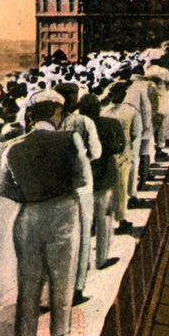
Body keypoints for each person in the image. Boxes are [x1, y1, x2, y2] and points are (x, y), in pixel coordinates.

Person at [0, 90, 89, 336]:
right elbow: (82, 178)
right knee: (62, 281)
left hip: (29, 217)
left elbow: (2, 187)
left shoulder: (14, 147)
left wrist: (27, 195)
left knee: (29, 284)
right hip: (63, 214)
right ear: (57, 113)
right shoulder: (70, 140)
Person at [54, 82, 101, 305]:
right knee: (81, 237)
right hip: (81, 186)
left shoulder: (50, 124)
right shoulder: (84, 121)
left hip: (54, 186)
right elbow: (96, 152)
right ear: (75, 98)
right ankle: (77, 289)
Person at [78, 93, 122, 269]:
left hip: (83, 181)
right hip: (104, 179)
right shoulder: (110, 124)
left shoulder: (75, 129)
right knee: (104, 221)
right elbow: (120, 146)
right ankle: (101, 259)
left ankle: (83, 262)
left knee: (84, 224)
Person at [101, 82, 141, 235]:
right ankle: (121, 220)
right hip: (123, 152)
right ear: (124, 95)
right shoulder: (131, 111)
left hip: (107, 153)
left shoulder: (104, 112)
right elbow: (135, 133)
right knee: (121, 188)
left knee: (107, 189)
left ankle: (105, 221)